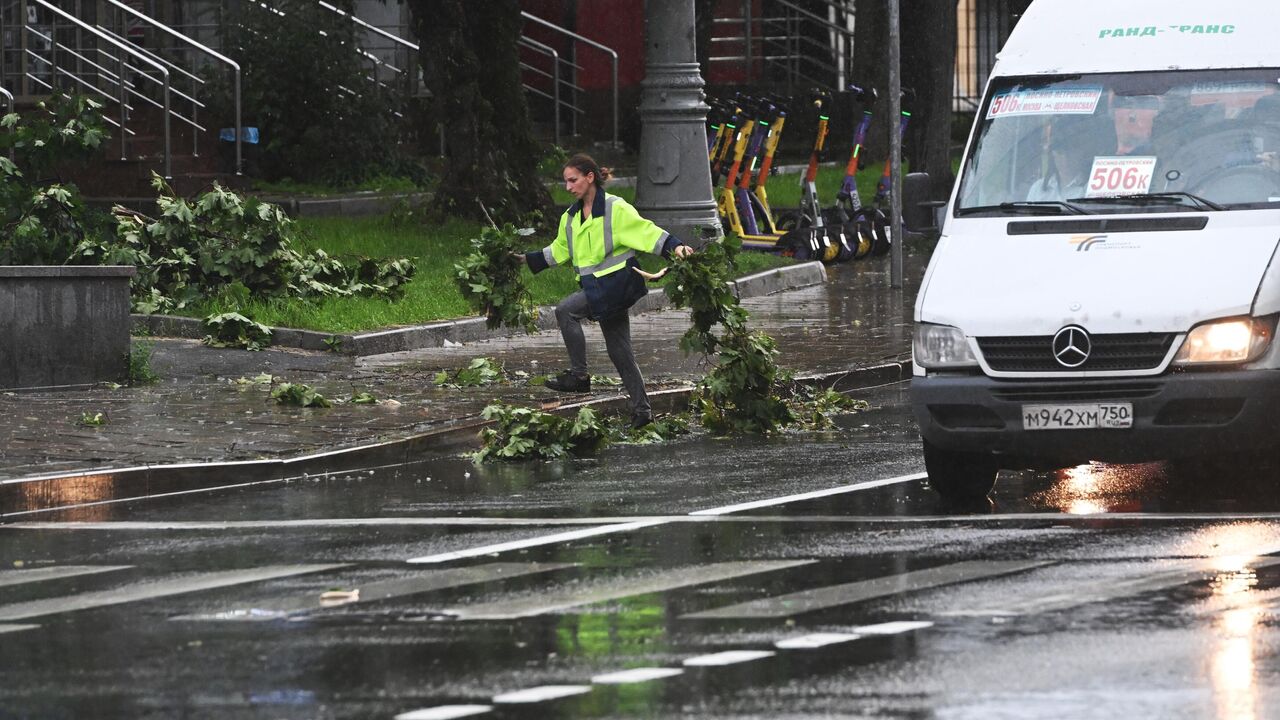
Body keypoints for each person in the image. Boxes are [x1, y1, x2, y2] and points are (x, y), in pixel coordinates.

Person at [519, 154, 694, 429]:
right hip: (598, 290)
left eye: (573, 180)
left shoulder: (615, 208)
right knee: (620, 352)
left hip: (615, 287)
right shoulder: (571, 217)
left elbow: (646, 232)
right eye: (565, 181)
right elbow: (558, 251)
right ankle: (643, 413)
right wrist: (523, 259)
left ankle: (579, 377)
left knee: (565, 311)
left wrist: (676, 246)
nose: (568, 187)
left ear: (590, 178)